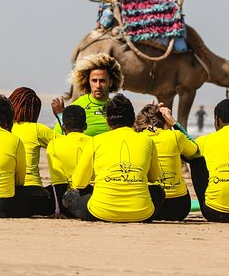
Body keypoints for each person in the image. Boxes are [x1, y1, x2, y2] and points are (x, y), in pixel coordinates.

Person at [63, 94, 164, 222]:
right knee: (158, 191)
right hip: (142, 213)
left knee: (70, 196)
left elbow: (78, 183)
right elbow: (153, 178)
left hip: (100, 212)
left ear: (107, 121)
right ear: (132, 119)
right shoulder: (147, 141)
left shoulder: (96, 141)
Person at [134, 103, 199, 221]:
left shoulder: (137, 138)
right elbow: (195, 149)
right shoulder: (175, 136)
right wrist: (174, 123)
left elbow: (131, 129)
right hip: (179, 208)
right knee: (197, 159)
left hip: (148, 206)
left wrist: (145, 111)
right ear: (165, 120)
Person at [8, 87, 55, 216]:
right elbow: (67, 144)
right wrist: (61, 116)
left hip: (5, 191)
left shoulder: (2, 129)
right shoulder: (37, 129)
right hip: (33, 193)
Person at [52, 53, 123, 137]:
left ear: (110, 82)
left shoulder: (118, 109)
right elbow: (59, 137)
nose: (98, 86)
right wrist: (61, 116)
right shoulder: (78, 106)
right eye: (94, 81)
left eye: (102, 81)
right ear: (88, 82)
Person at [46, 105, 92, 217]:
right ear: (85, 126)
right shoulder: (95, 142)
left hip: (70, 199)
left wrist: (60, 211)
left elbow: (59, 182)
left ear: (63, 127)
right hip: (93, 195)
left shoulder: (54, 144)